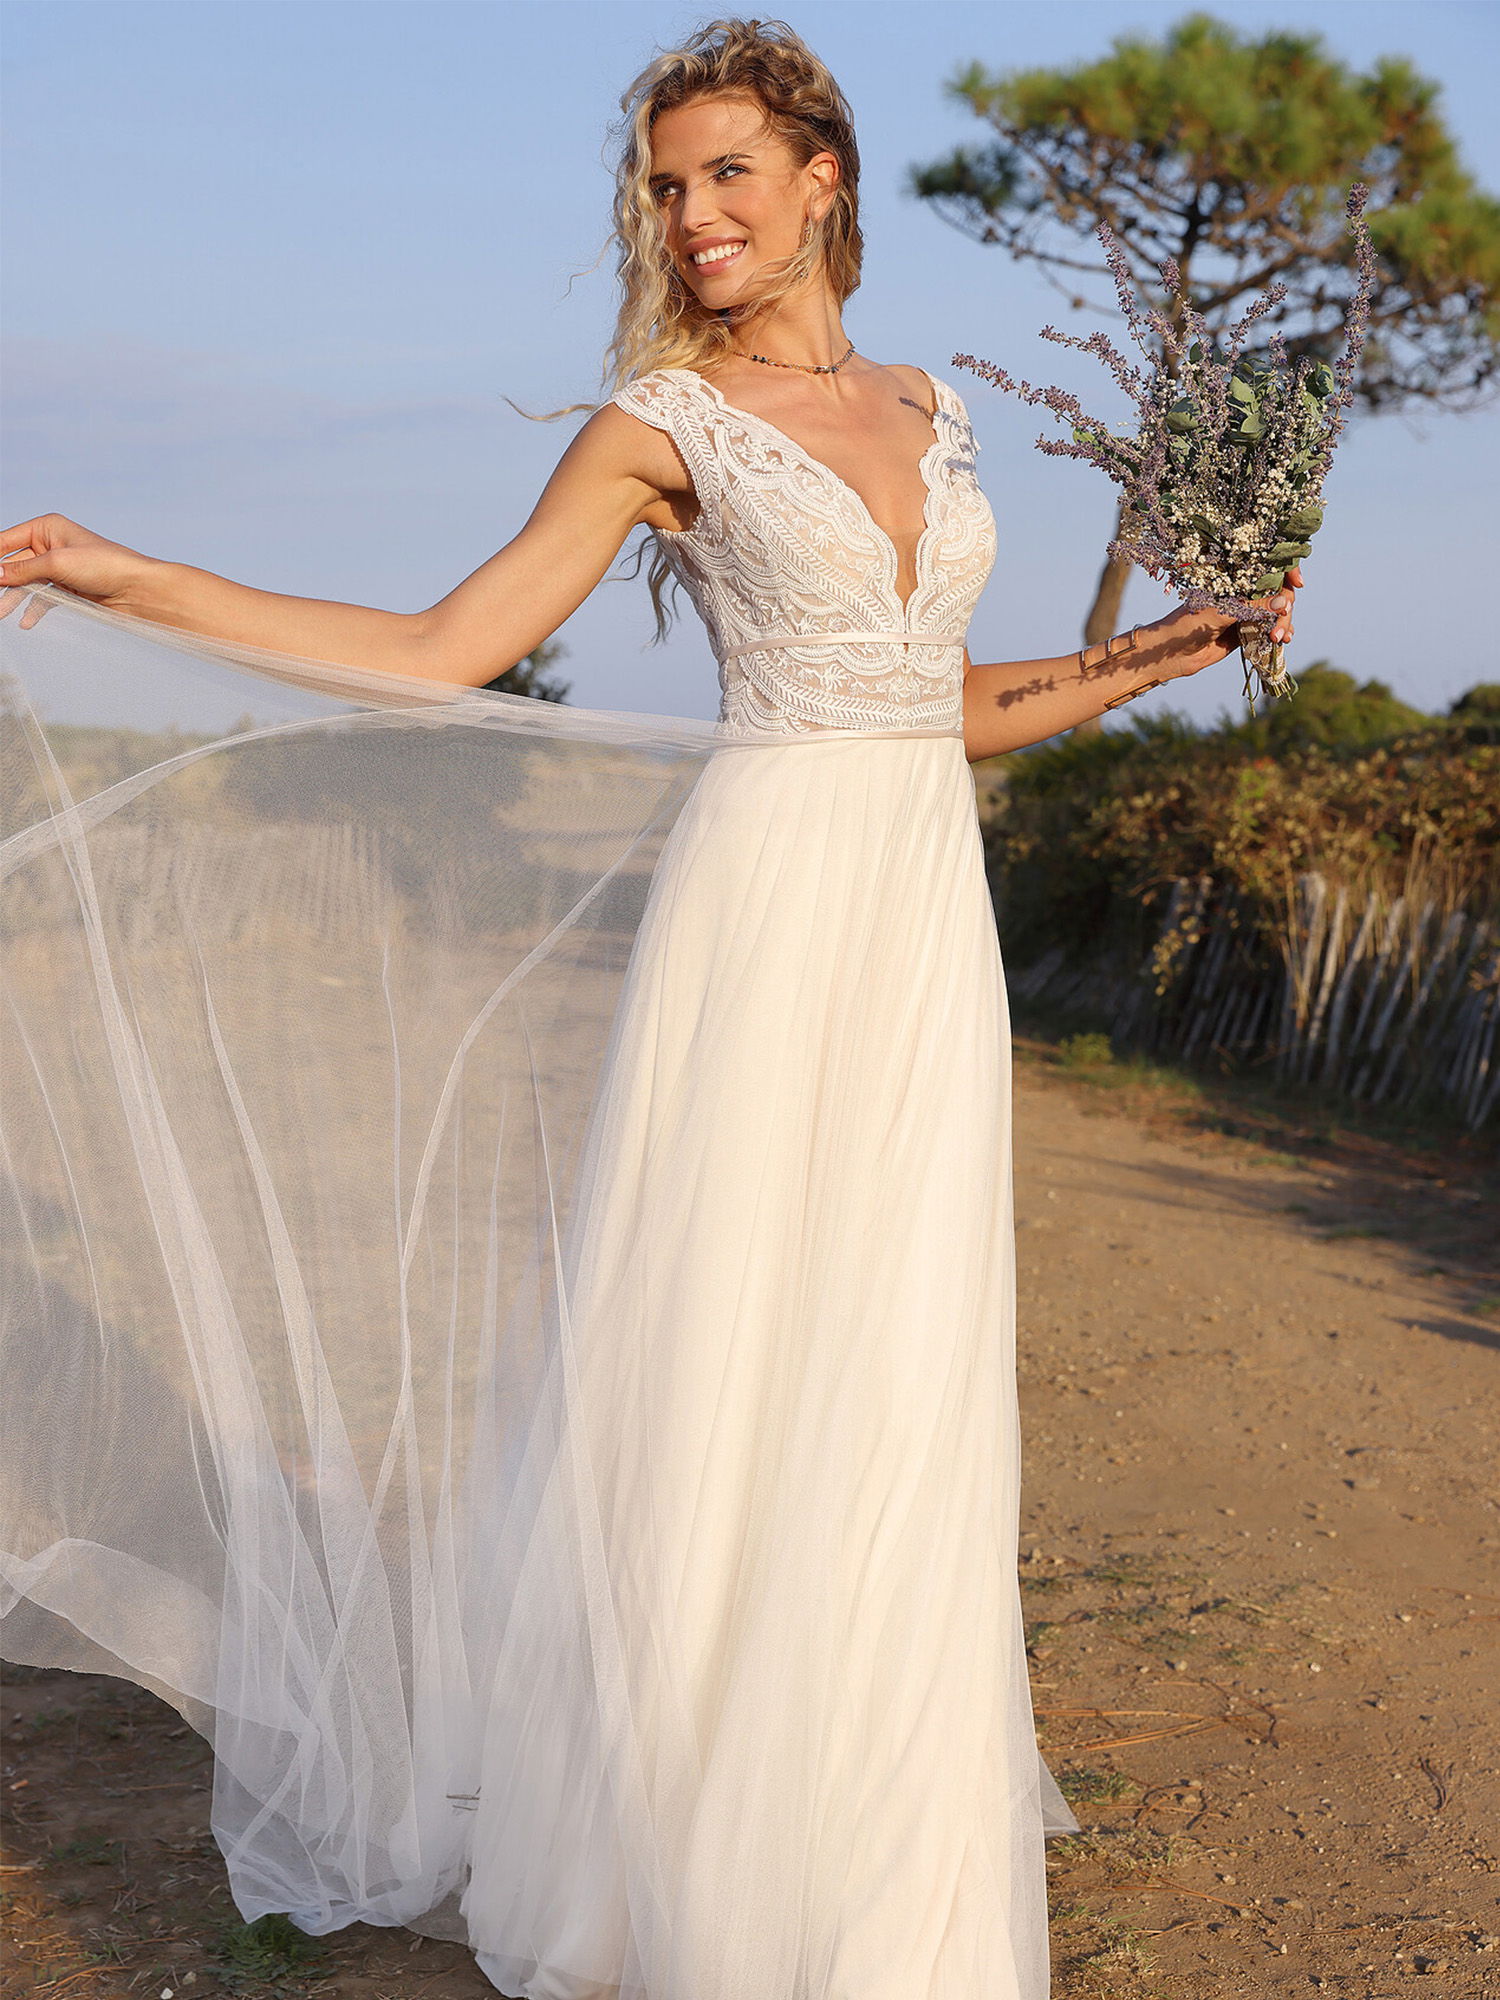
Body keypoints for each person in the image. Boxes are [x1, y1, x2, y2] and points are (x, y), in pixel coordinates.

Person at [0, 19, 1299, 2000]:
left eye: (727, 177)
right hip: (766, 914)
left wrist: (1165, 650)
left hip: (915, 921)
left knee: (896, 1374)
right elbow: (443, 645)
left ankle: (878, 1881)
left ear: (823, 182)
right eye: (666, 186)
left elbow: (935, 704)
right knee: (724, 1371)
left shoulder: (937, 412)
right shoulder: (652, 423)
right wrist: (122, 574)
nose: (693, 215)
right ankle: (695, 1869)